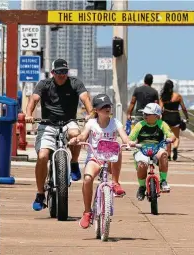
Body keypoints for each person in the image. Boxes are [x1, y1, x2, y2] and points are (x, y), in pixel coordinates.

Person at [25, 59, 94, 211]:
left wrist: (91, 113)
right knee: (43, 156)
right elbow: (33, 100)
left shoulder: (75, 83)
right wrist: (28, 114)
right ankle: (40, 193)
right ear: (53, 73)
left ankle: (74, 163)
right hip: (47, 124)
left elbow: (85, 98)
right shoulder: (44, 84)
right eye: (59, 72)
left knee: (75, 133)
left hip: (69, 121)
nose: (62, 75)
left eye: (64, 72)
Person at [69, 94, 128, 229]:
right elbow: (84, 135)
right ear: (96, 110)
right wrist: (77, 139)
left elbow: (124, 137)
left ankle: (115, 182)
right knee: (88, 179)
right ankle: (87, 212)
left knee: (118, 148)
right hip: (95, 157)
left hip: (111, 159)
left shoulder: (115, 122)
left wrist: (129, 142)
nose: (107, 108)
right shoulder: (91, 123)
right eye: (103, 107)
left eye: (108, 106)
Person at [128, 103, 176, 201]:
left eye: (148, 114)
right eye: (144, 114)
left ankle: (163, 181)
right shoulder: (139, 125)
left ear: (157, 116)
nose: (144, 116)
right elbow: (130, 138)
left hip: (157, 147)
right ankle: (142, 187)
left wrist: (170, 139)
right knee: (141, 165)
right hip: (142, 148)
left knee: (164, 154)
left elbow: (171, 135)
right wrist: (131, 143)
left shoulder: (162, 124)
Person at [159, 79, 189, 161]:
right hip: (175, 117)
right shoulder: (178, 96)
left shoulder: (163, 97)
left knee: (168, 136)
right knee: (176, 136)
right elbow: (183, 108)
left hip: (166, 117)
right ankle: (175, 148)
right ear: (172, 87)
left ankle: (168, 154)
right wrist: (187, 117)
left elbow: (160, 109)